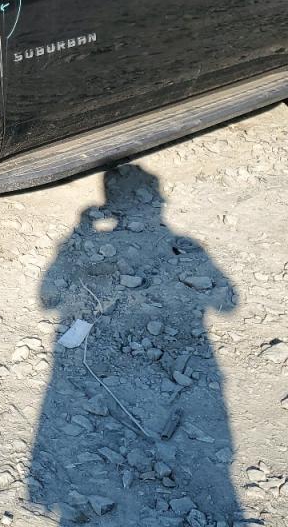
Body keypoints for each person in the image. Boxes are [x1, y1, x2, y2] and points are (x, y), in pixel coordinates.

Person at [29, 164, 240, 524]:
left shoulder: (169, 245)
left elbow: (47, 298)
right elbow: (228, 301)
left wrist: (81, 233)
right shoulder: (181, 243)